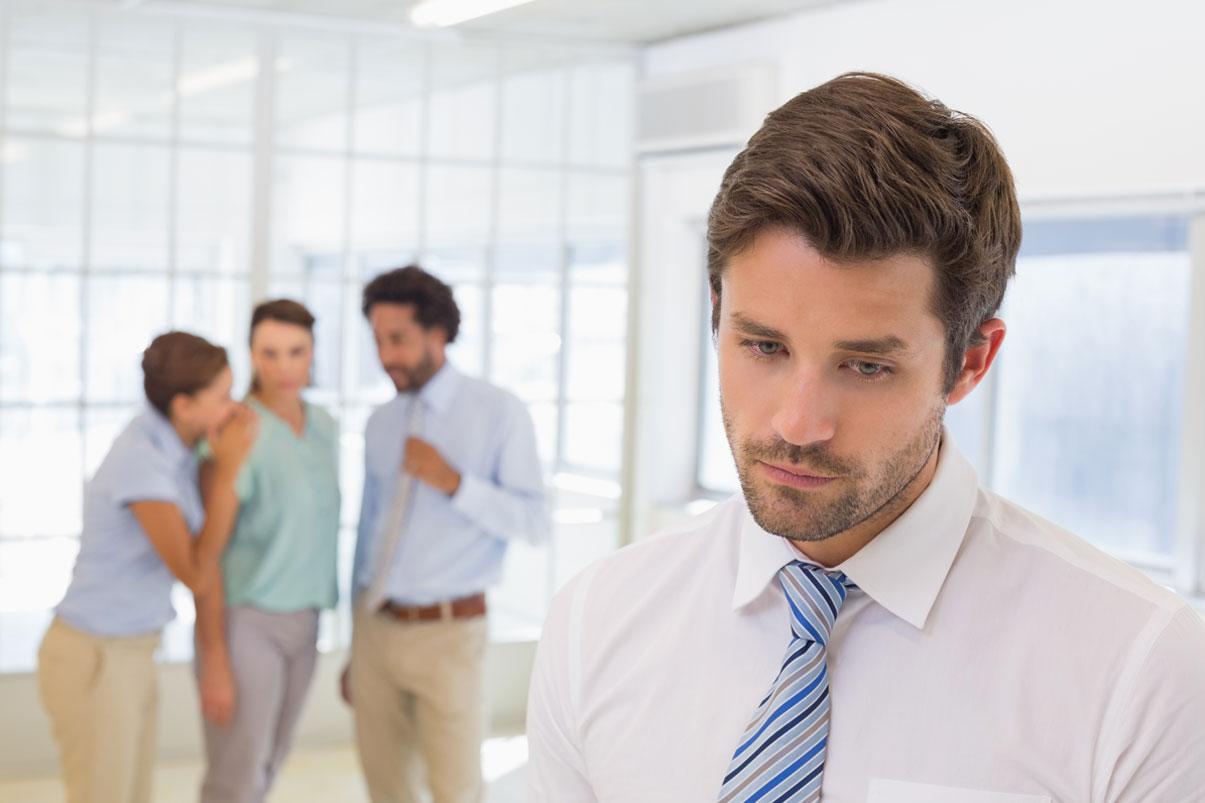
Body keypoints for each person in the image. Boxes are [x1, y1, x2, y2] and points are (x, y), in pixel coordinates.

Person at [527, 73, 1205, 802]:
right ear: (716, 313)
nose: (797, 424)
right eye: (762, 347)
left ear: (970, 361)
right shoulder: (596, 621)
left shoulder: (1140, 668)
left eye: (865, 365)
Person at [342, 265, 548, 803]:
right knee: (385, 787)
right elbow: (368, 539)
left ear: (437, 333)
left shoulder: (498, 412)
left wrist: (454, 483)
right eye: (378, 341)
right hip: (375, 631)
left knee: (456, 791)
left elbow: (533, 521)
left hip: (450, 635)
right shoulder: (382, 422)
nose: (386, 356)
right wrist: (353, 642)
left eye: (398, 340)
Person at [37, 331, 257, 803]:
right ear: (184, 405)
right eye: (222, 397)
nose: (234, 409)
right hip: (96, 658)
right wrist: (230, 471)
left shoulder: (175, 448)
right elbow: (196, 573)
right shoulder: (143, 463)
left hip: (130, 652)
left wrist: (219, 466)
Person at [192, 299, 341, 803]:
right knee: (235, 774)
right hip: (247, 621)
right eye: (268, 353)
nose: (283, 367)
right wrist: (214, 657)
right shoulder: (236, 430)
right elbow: (206, 554)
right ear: (251, 355)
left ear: (313, 352)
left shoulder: (325, 427)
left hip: (307, 622)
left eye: (296, 352)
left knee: (270, 765)